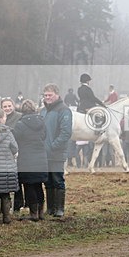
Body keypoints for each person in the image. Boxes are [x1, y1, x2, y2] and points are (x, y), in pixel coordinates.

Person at [41, 83, 72, 218]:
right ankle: (50, 208)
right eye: (45, 95)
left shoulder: (64, 110)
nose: (47, 97)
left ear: (57, 94)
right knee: (47, 181)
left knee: (57, 179)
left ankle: (60, 208)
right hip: (43, 152)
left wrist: (53, 146)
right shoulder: (43, 110)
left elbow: (66, 132)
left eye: (50, 95)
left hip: (56, 152)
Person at [13, 100, 48, 221]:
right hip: (40, 156)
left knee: (29, 186)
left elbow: (15, 138)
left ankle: (33, 214)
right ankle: (41, 212)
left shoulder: (20, 124)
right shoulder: (42, 122)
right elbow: (44, 136)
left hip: (26, 158)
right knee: (38, 185)